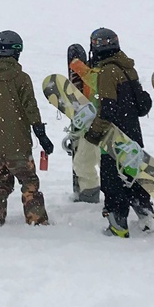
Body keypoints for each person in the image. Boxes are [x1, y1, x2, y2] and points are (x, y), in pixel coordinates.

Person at [83, 27, 154, 238]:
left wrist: (94, 134)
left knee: (112, 181)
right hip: (133, 135)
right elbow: (142, 106)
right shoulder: (127, 68)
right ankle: (146, 215)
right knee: (133, 176)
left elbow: (108, 110)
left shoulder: (107, 72)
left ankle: (118, 224)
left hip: (114, 138)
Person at [0, 30, 52, 226]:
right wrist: (41, 135)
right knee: (29, 182)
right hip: (17, 144)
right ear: (18, 50)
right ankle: (36, 220)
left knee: (1, 182)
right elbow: (31, 109)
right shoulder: (21, 78)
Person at [65, 43, 100, 203]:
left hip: (103, 123)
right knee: (82, 162)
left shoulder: (109, 71)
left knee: (104, 163)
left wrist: (80, 69)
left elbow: (98, 83)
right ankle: (88, 195)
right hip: (90, 124)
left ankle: (122, 194)